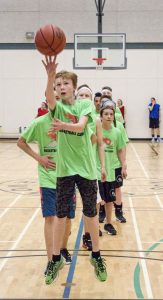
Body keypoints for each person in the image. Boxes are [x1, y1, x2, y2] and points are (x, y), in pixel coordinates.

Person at [42, 56, 107, 283]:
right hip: (65, 170)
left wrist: (62, 126)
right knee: (61, 215)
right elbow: (49, 98)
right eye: (58, 85)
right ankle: (55, 258)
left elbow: (80, 127)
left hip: (87, 170)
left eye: (65, 83)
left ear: (74, 87)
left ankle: (97, 257)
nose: (61, 87)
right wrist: (50, 76)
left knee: (90, 213)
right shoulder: (56, 107)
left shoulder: (85, 104)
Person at [17, 101, 76, 281]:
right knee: (50, 217)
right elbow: (21, 142)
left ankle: (63, 248)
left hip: (68, 175)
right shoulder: (39, 122)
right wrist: (39, 158)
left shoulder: (70, 120)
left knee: (66, 219)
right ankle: (51, 260)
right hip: (47, 177)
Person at [76, 85, 106, 250]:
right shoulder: (70, 117)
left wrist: (102, 166)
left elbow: (100, 144)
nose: (85, 97)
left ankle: (87, 235)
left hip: (89, 168)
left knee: (92, 204)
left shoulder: (95, 120)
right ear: (76, 97)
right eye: (82, 95)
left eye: (88, 95)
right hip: (71, 168)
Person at [97, 101, 127, 235]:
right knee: (97, 201)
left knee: (110, 199)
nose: (109, 116)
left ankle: (108, 223)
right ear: (101, 116)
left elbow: (120, 150)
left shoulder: (117, 132)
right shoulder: (96, 131)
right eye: (106, 114)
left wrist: (123, 166)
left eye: (111, 114)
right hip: (97, 171)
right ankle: (95, 226)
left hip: (112, 169)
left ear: (114, 116)